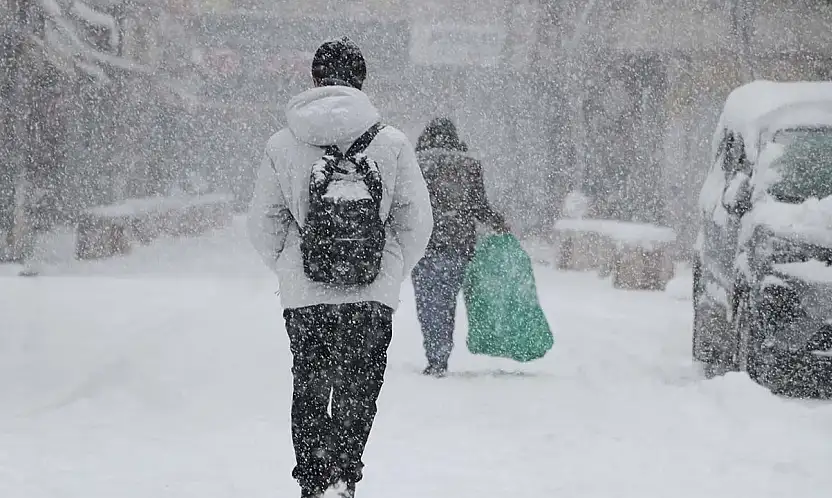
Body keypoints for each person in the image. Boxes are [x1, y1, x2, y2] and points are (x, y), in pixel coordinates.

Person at [247, 37, 432, 498]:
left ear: (313, 79)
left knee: (310, 386)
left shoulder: (282, 144)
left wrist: (293, 264)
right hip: (371, 295)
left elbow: (264, 223)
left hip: (305, 295)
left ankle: (314, 481)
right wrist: (387, 270)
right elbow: (416, 222)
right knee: (358, 388)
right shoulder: (391, 143)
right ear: (362, 82)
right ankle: (344, 476)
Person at [412, 117, 509, 377]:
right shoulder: (468, 165)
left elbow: (405, 205)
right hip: (458, 246)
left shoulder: (415, 164)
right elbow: (479, 206)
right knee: (446, 302)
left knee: (428, 304)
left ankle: (435, 355)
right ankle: (441, 352)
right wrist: (498, 223)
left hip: (423, 246)